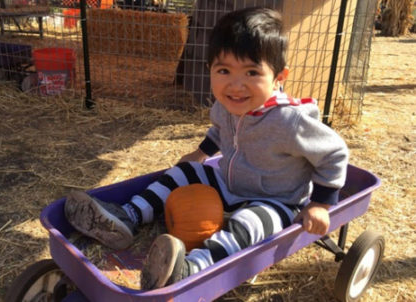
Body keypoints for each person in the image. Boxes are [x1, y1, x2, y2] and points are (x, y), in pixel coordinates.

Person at [64, 7, 349, 290]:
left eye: (252, 72)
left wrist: (321, 204)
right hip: (228, 184)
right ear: (209, 70)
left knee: (246, 225)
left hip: (277, 200)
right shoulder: (227, 105)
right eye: (224, 70)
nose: (236, 85)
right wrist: (201, 154)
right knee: (184, 171)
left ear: (279, 77)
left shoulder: (290, 120)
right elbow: (219, 130)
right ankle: (129, 216)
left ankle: (190, 269)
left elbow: (334, 153)